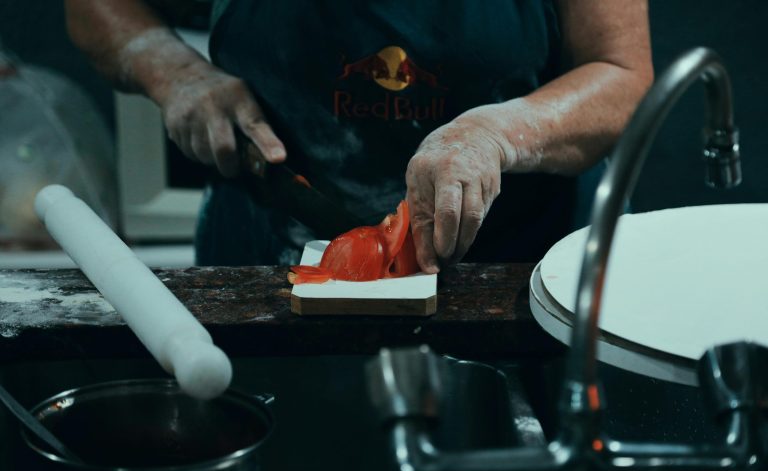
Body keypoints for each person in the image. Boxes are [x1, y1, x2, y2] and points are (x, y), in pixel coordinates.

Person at [65, 0, 653, 270]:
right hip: (270, 256)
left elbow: (621, 74)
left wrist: (497, 133)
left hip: (523, 266)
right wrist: (176, 73)